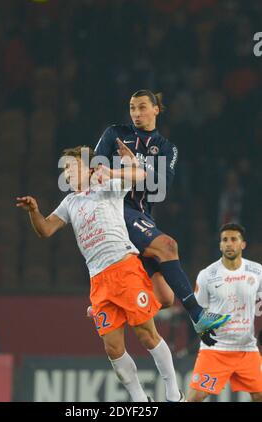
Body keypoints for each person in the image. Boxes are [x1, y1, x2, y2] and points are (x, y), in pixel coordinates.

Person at [16, 145, 184, 402]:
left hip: (124, 268)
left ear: (88, 168)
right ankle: (141, 401)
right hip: (99, 281)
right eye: (65, 169)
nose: (66, 173)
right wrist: (34, 212)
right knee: (113, 348)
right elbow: (46, 230)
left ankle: (174, 393)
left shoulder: (107, 186)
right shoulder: (70, 202)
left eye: (70, 167)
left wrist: (121, 169)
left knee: (145, 334)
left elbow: (139, 176)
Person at [94, 89, 230, 338]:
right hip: (115, 209)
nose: (136, 113)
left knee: (164, 298)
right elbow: (96, 171)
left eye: (143, 107)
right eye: (133, 107)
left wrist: (133, 167)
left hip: (142, 215)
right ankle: (198, 315)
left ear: (156, 110)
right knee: (167, 246)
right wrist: (132, 172)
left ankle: (107, 306)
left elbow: (160, 186)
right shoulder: (114, 134)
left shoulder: (166, 148)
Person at [188, 223, 262, 402]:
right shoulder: (207, 275)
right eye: (225, 240)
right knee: (196, 397)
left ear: (242, 244)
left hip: (247, 349)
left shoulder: (257, 272)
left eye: (234, 239)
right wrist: (204, 331)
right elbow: (197, 310)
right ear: (220, 245)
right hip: (216, 350)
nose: (229, 244)